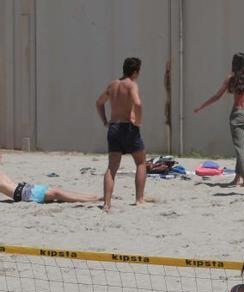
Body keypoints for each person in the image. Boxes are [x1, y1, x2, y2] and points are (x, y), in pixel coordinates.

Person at [193, 53, 244, 187]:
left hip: (238, 114)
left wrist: (201, 106)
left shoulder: (232, 78)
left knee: (240, 149)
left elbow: (217, 96)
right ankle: (237, 178)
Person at [95, 57, 146, 212]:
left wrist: (105, 121)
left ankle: (107, 203)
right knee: (141, 163)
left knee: (112, 168)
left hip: (114, 127)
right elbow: (137, 103)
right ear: (136, 72)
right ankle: (139, 199)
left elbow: (99, 102)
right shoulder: (131, 85)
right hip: (128, 127)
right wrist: (138, 121)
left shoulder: (113, 85)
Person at [0, 169, 99, 204]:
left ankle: (92, 197)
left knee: (57, 192)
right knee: (57, 193)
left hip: (25, 188)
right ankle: (92, 199)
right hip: (23, 194)